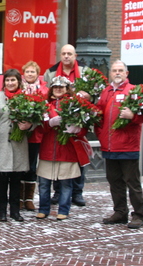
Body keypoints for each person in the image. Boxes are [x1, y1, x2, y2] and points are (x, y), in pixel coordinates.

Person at [95, 60, 143, 229]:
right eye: (114, 70)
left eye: (120, 70)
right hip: (109, 146)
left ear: (127, 73)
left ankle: (138, 214)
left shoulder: (133, 91)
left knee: (132, 182)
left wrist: (133, 115)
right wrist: (101, 135)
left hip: (128, 146)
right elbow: (98, 115)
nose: (117, 73)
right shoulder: (106, 92)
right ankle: (120, 212)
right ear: (110, 74)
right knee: (114, 181)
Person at [36, 76, 88, 221]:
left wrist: (77, 129)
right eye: (55, 87)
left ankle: (63, 210)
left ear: (67, 89)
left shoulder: (74, 105)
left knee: (66, 184)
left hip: (66, 150)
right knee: (44, 184)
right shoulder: (46, 105)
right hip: (48, 150)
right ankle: (43, 209)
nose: (58, 89)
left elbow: (83, 129)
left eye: (61, 87)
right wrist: (49, 124)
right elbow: (39, 128)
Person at [42, 44, 88, 207]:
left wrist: (87, 98)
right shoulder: (51, 72)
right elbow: (46, 93)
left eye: (69, 53)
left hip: (76, 119)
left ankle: (77, 192)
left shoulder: (84, 72)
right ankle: (58, 192)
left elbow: (94, 95)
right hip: (56, 120)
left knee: (76, 157)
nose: (66, 56)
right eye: (63, 54)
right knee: (57, 156)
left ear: (75, 56)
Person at [0, 69, 32, 222]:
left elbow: (34, 120)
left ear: (19, 82)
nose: (10, 83)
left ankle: (15, 211)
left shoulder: (25, 98)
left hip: (19, 144)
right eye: (7, 80)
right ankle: (1, 211)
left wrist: (29, 126)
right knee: (3, 179)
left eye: (13, 80)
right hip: (2, 144)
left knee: (17, 179)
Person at [20, 61, 48, 211]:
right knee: (19, 166)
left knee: (31, 166)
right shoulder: (19, 89)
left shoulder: (44, 90)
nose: (30, 74)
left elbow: (46, 111)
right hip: (20, 134)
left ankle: (29, 198)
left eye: (33, 72)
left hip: (35, 135)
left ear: (38, 74)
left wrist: (33, 122)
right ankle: (18, 197)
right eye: (27, 72)